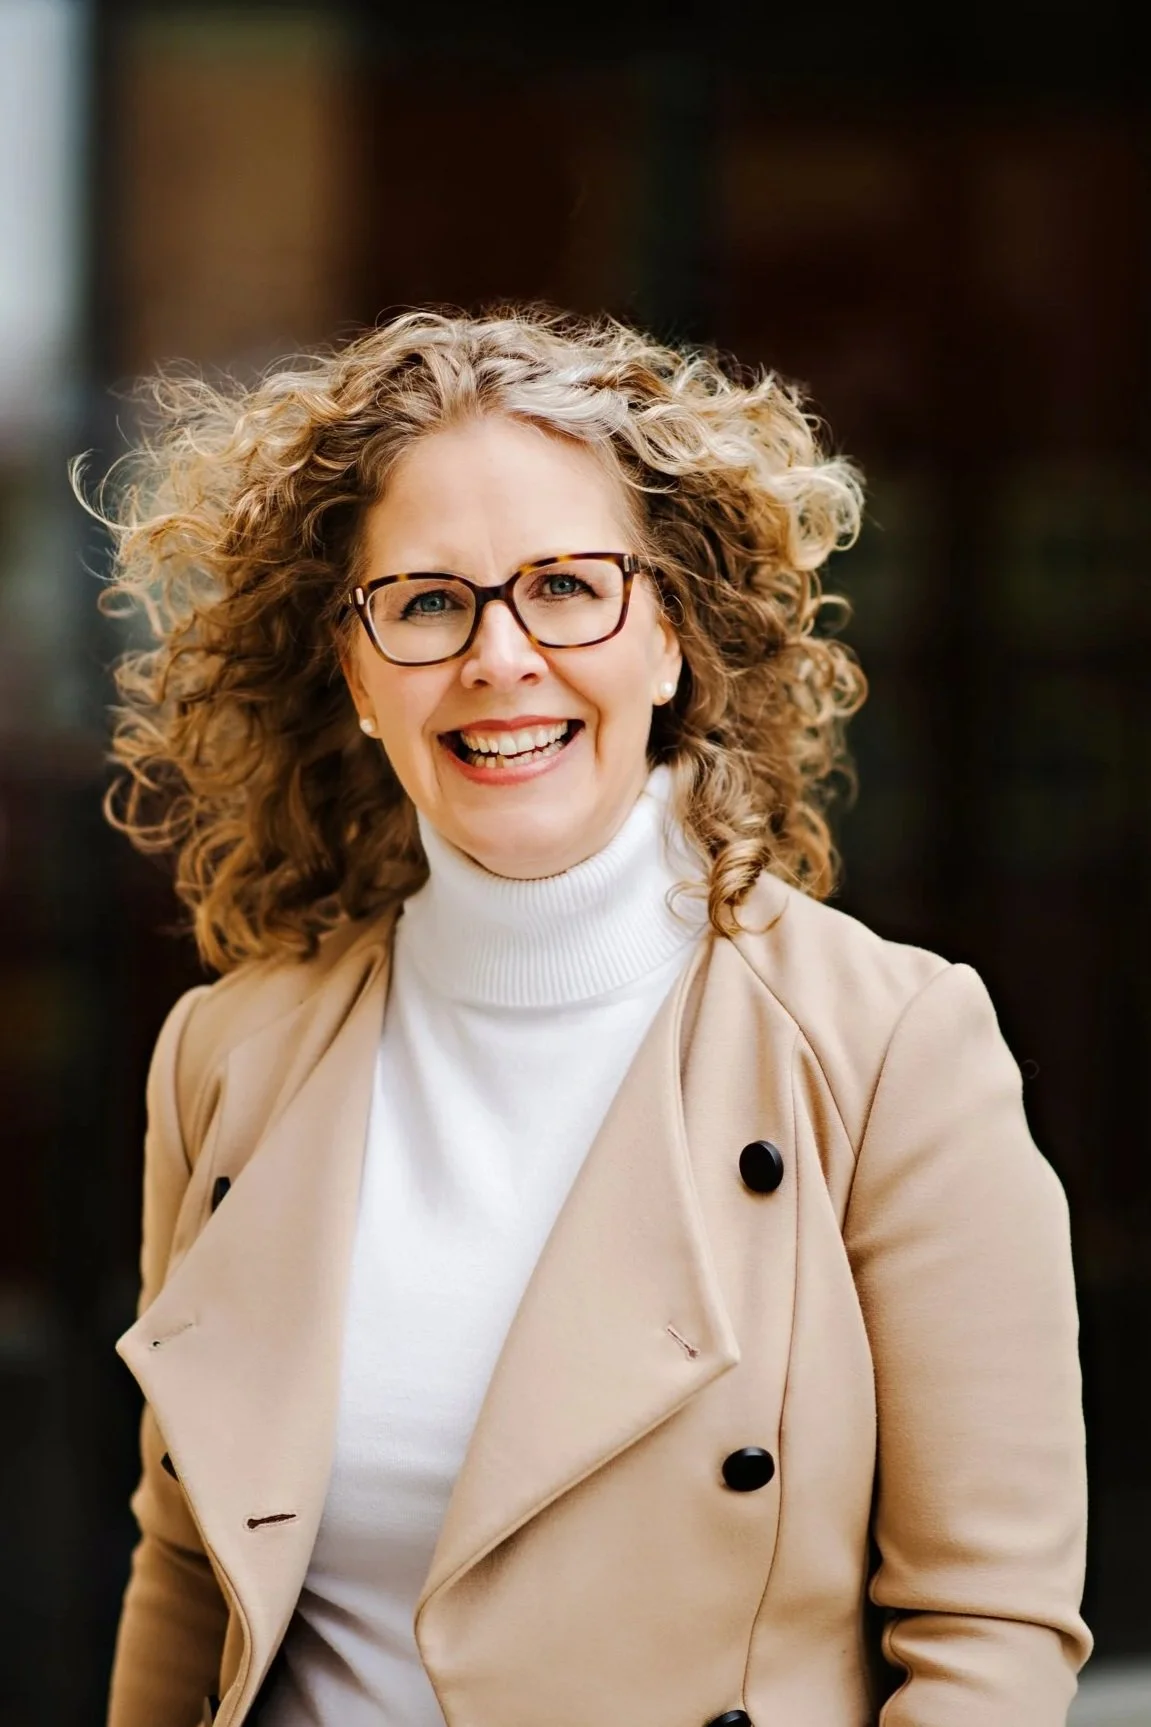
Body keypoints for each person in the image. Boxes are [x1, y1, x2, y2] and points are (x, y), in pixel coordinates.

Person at [81, 307, 1092, 1727]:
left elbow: (989, 1631)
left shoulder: (890, 1050)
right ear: (357, 671)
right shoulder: (227, 1057)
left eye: (566, 586)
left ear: (670, 637)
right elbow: (189, 1568)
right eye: (426, 601)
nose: (500, 656)